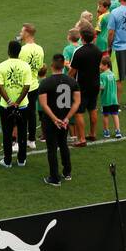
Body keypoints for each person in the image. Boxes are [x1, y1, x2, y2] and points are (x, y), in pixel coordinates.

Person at [38, 55, 80, 187]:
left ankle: (55, 178)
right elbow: (77, 102)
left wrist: (54, 119)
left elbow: (44, 104)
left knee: (51, 149)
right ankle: (67, 172)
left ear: (52, 66)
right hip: (64, 119)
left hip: (51, 121)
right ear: (63, 66)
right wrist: (67, 118)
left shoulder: (45, 83)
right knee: (63, 145)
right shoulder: (72, 81)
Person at [0, 40, 33, 168]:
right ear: (19, 52)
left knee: (7, 133)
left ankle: (8, 160)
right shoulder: (26, 66)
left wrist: (10, 102)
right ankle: (22, 160)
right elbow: (27, 86)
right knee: (22, 132)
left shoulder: (1, 66)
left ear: (8, 51)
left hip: (6, 106)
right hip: (23, 105)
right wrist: (18, 102)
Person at [69, 25, 102, 145]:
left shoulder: (79, 52)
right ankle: (92, 134)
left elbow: (72, 71)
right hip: (95, 83)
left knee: (79, 112)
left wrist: (66, 81)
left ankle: (82, 139)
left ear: (81, 37)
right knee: (92, 109)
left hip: (82, 85)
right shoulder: (98, 51)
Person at [98, 54, 122, 138]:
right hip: (114, 99)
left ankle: (106, 131)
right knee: (115, 115)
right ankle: (118, 131)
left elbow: (102, 87)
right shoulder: (112, 74)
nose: (99, 66)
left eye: (101, 64)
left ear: (106, 65)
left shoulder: (102, 76)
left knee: (105, 115)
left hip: (106, 100)